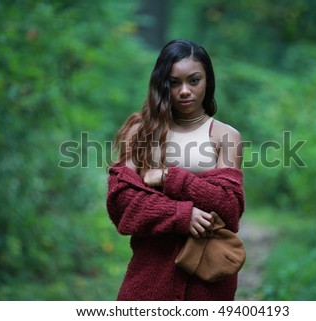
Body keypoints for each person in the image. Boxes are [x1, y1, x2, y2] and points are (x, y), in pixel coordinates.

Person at [106, 39, 245, 300]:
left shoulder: (225, 136)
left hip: (207, 279)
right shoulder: (141, 132)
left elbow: (229, 207)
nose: (184, 91)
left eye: (194, 80)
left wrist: (170, 177)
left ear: (208, 81)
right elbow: (121, 201)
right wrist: (182, 215)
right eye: (174, 82)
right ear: (161, 84)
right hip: (150, 274)